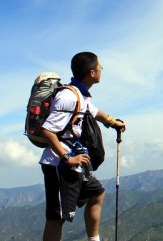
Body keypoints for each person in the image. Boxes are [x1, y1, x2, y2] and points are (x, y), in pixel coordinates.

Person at [40, 52, 126, 241]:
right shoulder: (68, 97)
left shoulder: (81, 96)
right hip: (59, 165)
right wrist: (67, 158)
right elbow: (47, 130)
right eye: (100, 67)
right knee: (57, 218)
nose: (102, 70)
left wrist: (114, 123)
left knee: (97, 192)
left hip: (74, 165)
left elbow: (95, 112)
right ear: (92, 72)